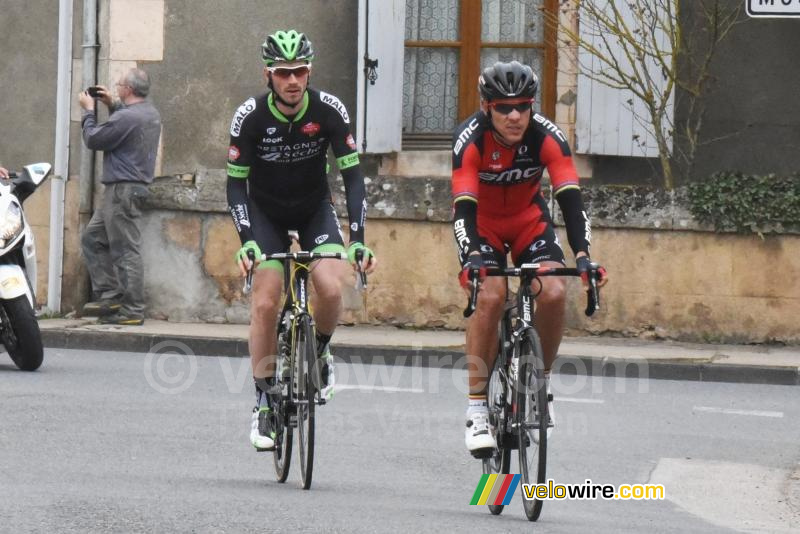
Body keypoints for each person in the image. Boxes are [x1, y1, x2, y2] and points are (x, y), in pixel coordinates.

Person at [226, 30, 376, 451]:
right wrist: (246, 240)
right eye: (283, 73)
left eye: (300, 71)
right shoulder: (250, 117)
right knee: (266, 302)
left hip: (313, 210)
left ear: (309, 72)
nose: (292, 80)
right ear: (269, 75)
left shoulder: (329, 111)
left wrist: (359, 239)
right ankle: (263, 399)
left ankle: (321, 353)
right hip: (265, 214)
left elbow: (352, 177)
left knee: (329, 286)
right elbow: (235, 186)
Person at [451, 61, 608, 456]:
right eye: (504, 108)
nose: (515, 115)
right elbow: (463, 209)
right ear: (486, 107)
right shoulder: (469, 140)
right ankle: (476, 410)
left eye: (523, 105)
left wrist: (585, 256)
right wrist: (471, 256)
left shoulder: (547, 136)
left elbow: (571, 201)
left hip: (527, 222)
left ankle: (539, 385)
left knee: (553, 290)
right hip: (482, 226)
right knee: (489, 295)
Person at [79, 68, 161, 326]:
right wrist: (111, 104)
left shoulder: (126, 118)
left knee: (126, 250)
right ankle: (111, 295)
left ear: (129, 89)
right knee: (92, 238)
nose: (116, 85)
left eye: (119, 84)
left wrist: (88, 111)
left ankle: (133, 309)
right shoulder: (149, 113)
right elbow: (125, 126)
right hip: (126, 189)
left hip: (121, 191)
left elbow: (94, 139)